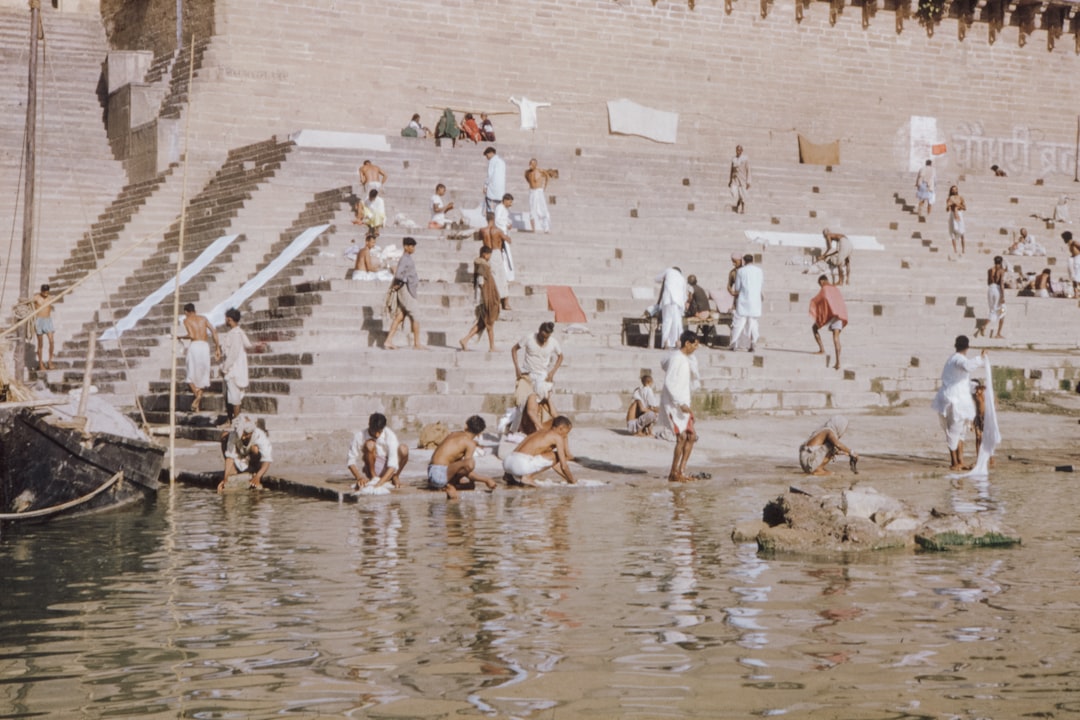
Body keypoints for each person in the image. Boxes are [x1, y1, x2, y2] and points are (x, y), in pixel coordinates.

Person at [931, 335, 986, 471]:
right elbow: (967, 366)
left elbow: (963, 382)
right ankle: (954, 462)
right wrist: (981, 358)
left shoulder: (953, 359)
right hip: (954, 400)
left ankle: (960, 460)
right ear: (967, 348)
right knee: (954, 431)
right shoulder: (958, 359)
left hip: (955, 398)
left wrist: (975, 387)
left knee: (961, 431)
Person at [660, 330, 700, 483]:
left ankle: (682, 470)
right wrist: (679, 403)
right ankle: (673, 472)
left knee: (691, 436)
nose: (696, 348)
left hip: (684, 403)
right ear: (687, 344)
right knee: (682, 437)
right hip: (674, 404)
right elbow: (669, 383)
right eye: (694, 345)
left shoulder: (686, 359)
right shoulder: (676, 359)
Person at [427, 415, 498, 499]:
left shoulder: (453, 434)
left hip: (431, 472)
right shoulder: (470, 444)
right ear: (479, 434)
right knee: (470, 463)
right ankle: (449, 485)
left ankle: (448, 484)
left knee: (469, 483)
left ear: (465, 426)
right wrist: (486, 480)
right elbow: (467, 467)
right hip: (439, 476)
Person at [503, 415, 577, 487]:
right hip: (520, 464)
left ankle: (508, 476)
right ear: (561, 428)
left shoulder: (540, 432)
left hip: (507, 462)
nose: (565, 436)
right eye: (566, 432)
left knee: (552, 456)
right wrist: (573, 481)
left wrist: (567, 478)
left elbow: (553, 463)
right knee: (557, 455)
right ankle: (527, 477)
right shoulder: (557, 437)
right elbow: (563, 466)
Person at [347, 412, 409, 491]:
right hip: (373, 467)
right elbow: (351, 460)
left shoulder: (390, 435)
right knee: (370, 444)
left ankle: (395, 476)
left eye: (379, 432)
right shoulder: (360, 435)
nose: (376, 435)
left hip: (389, 470)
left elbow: (393, 464)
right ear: (369, 425)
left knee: (404, 449)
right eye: (374, 431)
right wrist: (359, 478)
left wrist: (379, 484)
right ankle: (374, 477)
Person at [511, 322, 563, 416]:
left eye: (546, 337)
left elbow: (560, 356)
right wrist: (517, 368)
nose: (544, 339)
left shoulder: (553, 342)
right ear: (539, 332)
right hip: (527, 374)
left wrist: (552, 372)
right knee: (520, 403)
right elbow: (514, 349)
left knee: (545, 396)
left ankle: (556, 421)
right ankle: (515, 429)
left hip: (542, 374)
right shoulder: (529, 337)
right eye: (542, 336)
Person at [459, 245, 501, 351]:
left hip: (484, 299)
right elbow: (482, 283)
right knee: (489, 323)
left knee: (483, 323)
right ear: (484, 254)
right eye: (489, 254)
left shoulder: (484, 265)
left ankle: (465, 340)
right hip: (484, 300)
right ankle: (492, 347)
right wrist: (487, 299)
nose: (490, 256)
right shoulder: (482, 265)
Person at [384, 237, 423, 350]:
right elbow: (398, 275)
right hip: (406, 290)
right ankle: (417, 344)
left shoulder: (407, 258)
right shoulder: (405, 259)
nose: (413, 248)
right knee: (416, 315)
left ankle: (388, 341)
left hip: (409, 290)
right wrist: (406, 280)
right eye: (411, 246)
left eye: (414, 246)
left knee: (400, 316)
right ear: (406, 247)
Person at [180, 302, 220, 413]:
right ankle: (197, 406)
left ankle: (197, 397)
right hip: (205, 346)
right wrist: (217, 348)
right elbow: (214, 331)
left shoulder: (186, 320)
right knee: (203, 374)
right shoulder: (203, 318)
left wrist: (179, 337)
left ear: (186, 312)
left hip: (195, 346)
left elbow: (191, 335)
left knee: (190, 375)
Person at [217, 415, 272, 492]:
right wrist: (225, 478)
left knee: (255, 449)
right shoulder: (234, 434)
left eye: (246, 435)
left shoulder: (259, 435)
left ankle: (254, 470)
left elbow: (267, 460)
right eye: (242, 435)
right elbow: (230, 456)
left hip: (253, 461)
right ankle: (234, 469)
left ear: (251, 433)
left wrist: (258, 477)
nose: (243, 438)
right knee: (224, 436)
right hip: (240, 457)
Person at [220, 307, 253, 420]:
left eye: (226, 319)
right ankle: (231, 421)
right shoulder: (238, 332)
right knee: (230, 395)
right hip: (234, 368)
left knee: (234, 397)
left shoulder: (235, 334)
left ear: (229, 319)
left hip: (233, 369)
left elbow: (233, 353)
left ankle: (235, 423)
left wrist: (225, 368)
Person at [809, 274, 847, 370]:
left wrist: (813, 303)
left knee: (814, 328)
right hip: (839, 314)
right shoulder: (835, 289)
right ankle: (838, 362)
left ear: (822, 281)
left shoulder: (825, 289)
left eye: (819, 284)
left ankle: (822, 349)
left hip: (830, 314)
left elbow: (819, 299)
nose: (820, 286)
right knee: (836, 338)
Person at [729, 254, 763, 352]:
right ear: (753, 260)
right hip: (755, 301)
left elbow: (738, 287)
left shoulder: (740, 271)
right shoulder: (759, 271)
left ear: (744, 261)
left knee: (739, 322)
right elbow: (760, 284)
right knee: (753, 323)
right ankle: (753, 343)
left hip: (743, 300)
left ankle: (734, 343)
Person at [480, 211, 513, 310]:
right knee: (502, 278)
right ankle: (505, 303)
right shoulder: (497, 230)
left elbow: (479, 238)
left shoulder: (482, 230)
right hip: (496, 253)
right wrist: (507, 232)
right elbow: (508, 240)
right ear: (494, 219)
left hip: (486, 254)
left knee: (492, 278)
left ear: (486, 219)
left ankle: (495, 301)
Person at [653, 266, 688, 350]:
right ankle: (677, 342)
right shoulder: (682, 279)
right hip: (678, 303)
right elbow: (684, 296)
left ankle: (666, 343)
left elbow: (656, 279)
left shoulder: (668, 271)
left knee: (667, 321)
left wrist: (664, 278)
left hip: (668, 300)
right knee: (677, 323)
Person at [976, 256, 1006, 339]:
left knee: (992, 310)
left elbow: (988, 282)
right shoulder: (1001, 271)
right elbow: (1001, 284)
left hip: (990, 290)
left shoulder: (989, 270)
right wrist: (1002, 296)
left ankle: (984, 326)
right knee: (1003, 310)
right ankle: (998, 333)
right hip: (997, 290)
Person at [31, 283, 55, 370]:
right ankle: (41, 364)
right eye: (44, 291)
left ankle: (50, 361)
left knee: (51, 341)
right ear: (41, 291)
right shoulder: (36, 298)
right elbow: (29, 304)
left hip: (48, 320)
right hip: (39, 321)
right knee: (40, 344)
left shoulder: (50, 298)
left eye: (47, 292)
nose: (45, 293)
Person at [525, 158, 552, 233]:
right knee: (532, 209)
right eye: (530, 163)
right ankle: (533, 229)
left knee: (542, 209)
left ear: (535, 164)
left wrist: (544, 186)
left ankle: (546, 228)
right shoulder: (527, 172)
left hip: (539, 191)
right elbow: (527, 179)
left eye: (532, 163)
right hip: (532, 191)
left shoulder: (540, 171)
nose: (530, 165)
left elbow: (547, 176)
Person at [728, 144, 751, 214]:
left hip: (742, 180)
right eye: (737, 150)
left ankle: (742, 209)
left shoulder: (745, 159)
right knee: (734, 192)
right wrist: (730, 180)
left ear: (741, 151)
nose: (738, 151)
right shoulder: (734, 159)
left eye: (739, 150)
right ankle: (738, 203)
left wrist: (748, 181)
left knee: (742, 195)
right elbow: (731, 170)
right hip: (735, 180)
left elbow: (748, 170)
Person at [483, 146, 506, 214]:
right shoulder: (502, 161)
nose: (487, 158)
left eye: (487, 155)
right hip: (501, 187)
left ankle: (491, 218)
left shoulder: (492, 161)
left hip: (493, 186)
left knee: (490, 203)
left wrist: (485, 186)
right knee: (499, 205)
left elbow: (490, 175)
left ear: (490, 153)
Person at [945, 185, 966, 255]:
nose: (954, 191)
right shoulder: (949, 198)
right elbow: (947, 209)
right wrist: (949, 205)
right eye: (953, 189)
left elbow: (964, 208)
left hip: (959, 214)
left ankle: (963, 249)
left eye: (955, 189)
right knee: (952, 232)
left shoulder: (960, 197)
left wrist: (958, 205)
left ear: (957, 190)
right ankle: (955, 249)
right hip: (952, 214)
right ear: (951, 191)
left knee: (962, 232)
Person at [1063, 231, 1080, 296]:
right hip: (1074, 259)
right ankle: (1076, 293)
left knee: (1077, 277)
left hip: (1078, 259)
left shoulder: (1074, 243)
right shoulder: (1069, 244)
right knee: (1074, 277)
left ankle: (1077, 293)